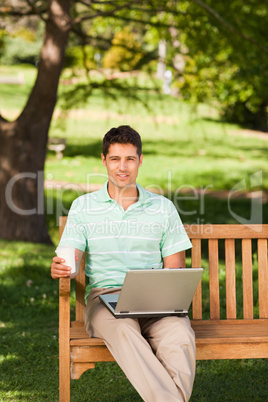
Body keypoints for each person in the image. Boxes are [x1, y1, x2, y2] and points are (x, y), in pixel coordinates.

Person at [51, 125, 196, 401]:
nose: (122, 167)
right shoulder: (84, 207)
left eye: (130, 159)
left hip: (156, 301)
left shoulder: (163, 208)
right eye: (115, 159)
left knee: (179, 335)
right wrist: (62, 269)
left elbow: (175, 268)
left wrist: (166, 294)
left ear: (140, 160)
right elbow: (71, 258)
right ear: (104, 160)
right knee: (125, 331)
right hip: (106, 300)